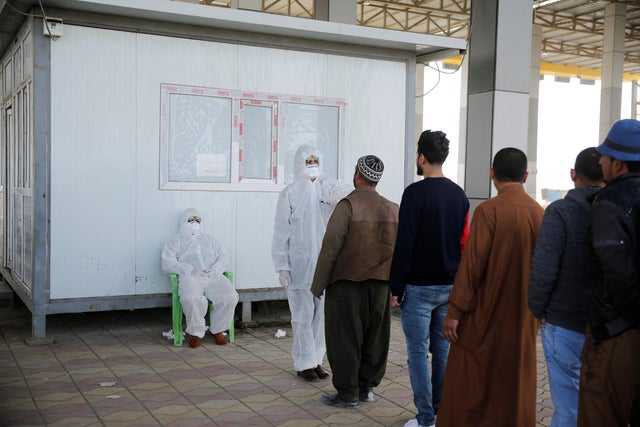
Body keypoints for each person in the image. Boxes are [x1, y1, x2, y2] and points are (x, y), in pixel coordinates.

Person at [438, 147, 544, 426]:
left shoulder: (488, 211)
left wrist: (455, 312)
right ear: (525, 175)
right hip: (523, 318)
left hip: (484, 314)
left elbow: (471, 266)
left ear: (492, 174)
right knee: (515, 381)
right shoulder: (538, 213)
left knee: (472, 382)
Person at [388, 130, 469, 427]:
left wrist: (395, 287)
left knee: (418, 354)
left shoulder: (414, 194)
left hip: (418, 288)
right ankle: (441, 413)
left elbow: (404, 244)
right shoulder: (459, 195)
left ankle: (425, 419)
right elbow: (463, 243)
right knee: (443, 351)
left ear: (421, 158)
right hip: (449, 286)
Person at [311, 155, 399, 409]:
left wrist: (318, 285)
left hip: (347, 284)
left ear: (358, 175)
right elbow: (400, 250)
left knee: (346, 337)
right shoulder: (392, 208)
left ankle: (348, 393)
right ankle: (366, 388)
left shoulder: (347, 205)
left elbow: (330, 248)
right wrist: (396, 287)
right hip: (382, 284)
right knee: (375, 337)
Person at [528, 147, 604, 427]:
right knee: (599, 404)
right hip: (609, 326)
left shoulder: (560, 211)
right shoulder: (618, 208)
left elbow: (544, 267)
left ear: (573, 175)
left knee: (568, 405)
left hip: (563, 322)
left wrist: (537, 308)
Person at [578, 119, 640, 427]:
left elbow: (617, 272)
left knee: (598, 413)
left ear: (619, 164)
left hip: (617, 331)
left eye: (605, 155)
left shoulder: (610, 203)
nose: (599, 160)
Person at [271, 145, 351, 382]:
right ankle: (304, 363)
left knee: (322, 315)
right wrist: (282, 265)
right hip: (300, 265)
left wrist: (334, 197)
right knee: (302, 315)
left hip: (325, 263)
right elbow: (280, 233)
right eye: (308, 161)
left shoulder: (327, 187)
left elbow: (349, 192)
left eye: (316, 160)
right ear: (299, 163)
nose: (312, 164)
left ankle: (316, 359)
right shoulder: (289, 194)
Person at [161, 208, 239, 348]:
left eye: (197, 220)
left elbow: (224, 256)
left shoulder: (210, 239)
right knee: (191, 298)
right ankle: (195, 333)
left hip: (212, 275)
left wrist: (216, 269)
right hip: (190, 277)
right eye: (191, 220)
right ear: (183, 222)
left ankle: (217, 330)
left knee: (230, 296)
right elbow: (167, 263)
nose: (194, 223)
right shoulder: (175, 241)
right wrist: (189, 269)